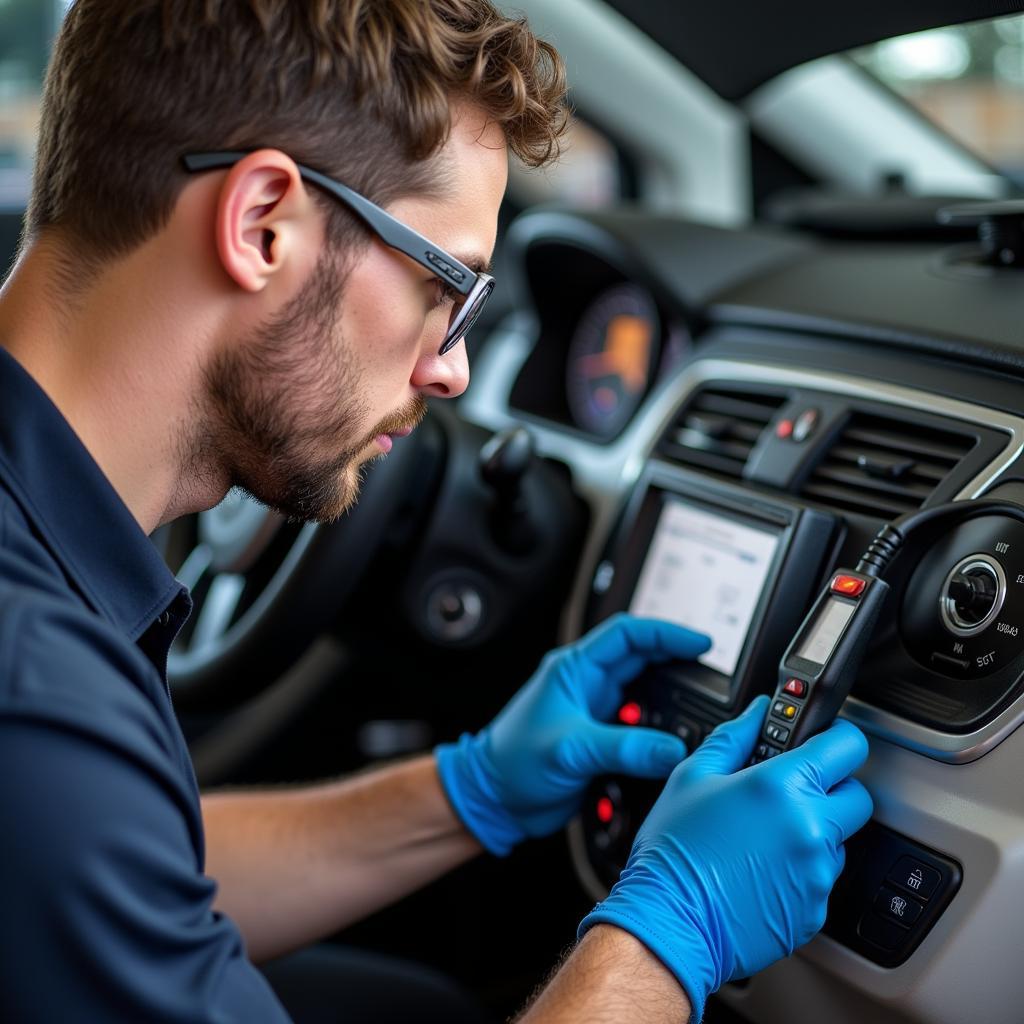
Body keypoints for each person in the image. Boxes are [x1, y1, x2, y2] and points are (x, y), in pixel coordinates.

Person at [0, 2, 873, 1022]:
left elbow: (121, 871)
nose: (452, 367)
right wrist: (676, 928)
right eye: (444, 286)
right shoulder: (35, 687)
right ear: (259, 224)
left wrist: (469, 791)